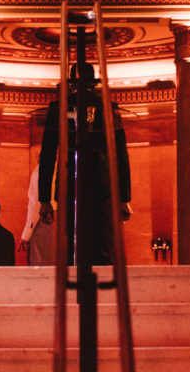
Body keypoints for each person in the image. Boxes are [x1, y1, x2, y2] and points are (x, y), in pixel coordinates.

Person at [38, 62, 132, 265]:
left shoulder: (58, 109)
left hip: (70, 183)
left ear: (71, 84)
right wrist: (123, 197)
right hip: (103, 186)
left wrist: (44, 198)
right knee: (103, 245)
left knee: (71, 243)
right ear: (94, 83)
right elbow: (121, 156)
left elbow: (47, 156)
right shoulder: (109, 108)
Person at [20, 161, 54, 265]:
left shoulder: (40, 172)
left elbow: (35, 204)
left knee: (40, 263)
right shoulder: (62, 170)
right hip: (58, 220)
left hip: (43, 222)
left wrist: (26, 235)